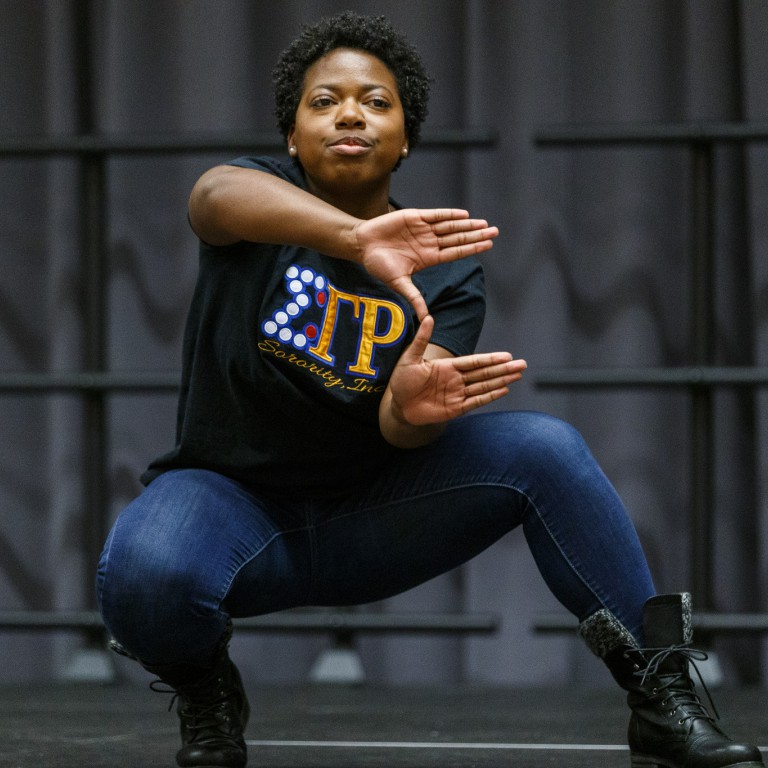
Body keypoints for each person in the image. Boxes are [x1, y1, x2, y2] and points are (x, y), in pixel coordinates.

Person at [96, 11, 764, 768]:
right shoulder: (259, 197)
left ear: (406, 138)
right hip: (234, 508)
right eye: (325, 101)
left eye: (376, 102)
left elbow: (399, 428)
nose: (350, 112)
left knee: (546, 448)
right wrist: (352, 239)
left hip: (370, 515)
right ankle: (207, 686)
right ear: (290, 137)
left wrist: (411, 409)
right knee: (144, 574)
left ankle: (659, 698)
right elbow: (213, 195)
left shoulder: (446, 269)